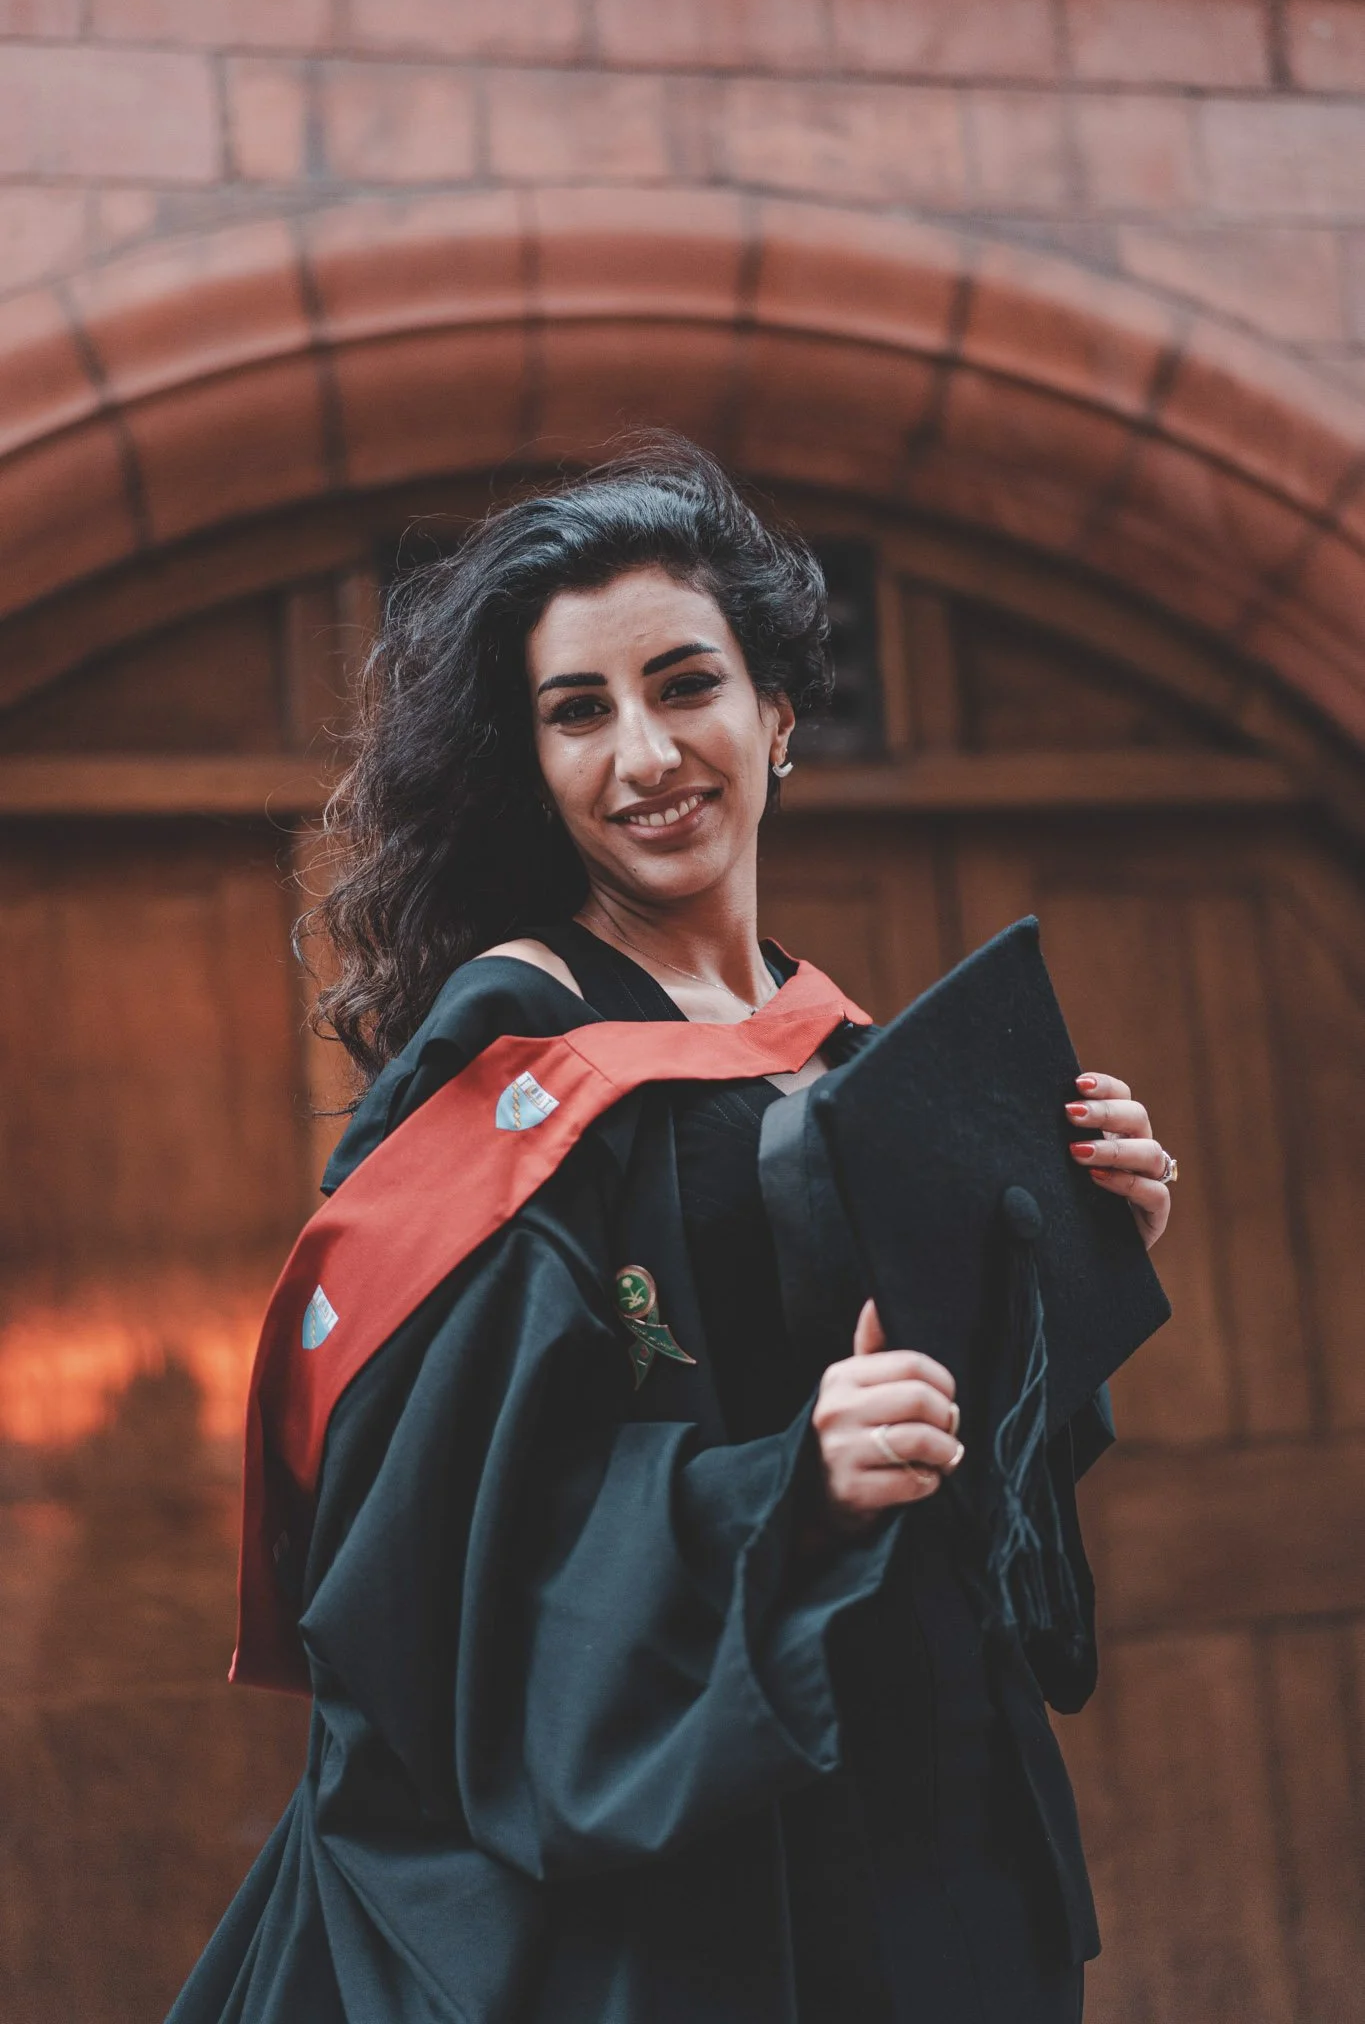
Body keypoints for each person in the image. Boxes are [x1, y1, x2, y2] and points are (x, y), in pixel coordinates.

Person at [168, 437, 1174, 2024]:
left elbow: (1001, 1445)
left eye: (684, 684)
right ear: (535, 765)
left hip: (926, 1797)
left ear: (777, 715)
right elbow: (444, 1532)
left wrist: (1077, 1241)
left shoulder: (839, 1042)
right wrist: (794, 1487)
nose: (644, 754)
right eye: (580, 712)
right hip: (682, 1864)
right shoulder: (505, 1072)